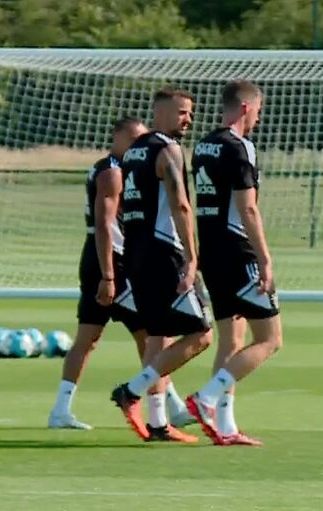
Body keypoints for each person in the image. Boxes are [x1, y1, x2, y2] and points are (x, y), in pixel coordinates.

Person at [48, 117, 192, 431]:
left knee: (89, 337)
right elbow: (105, 224)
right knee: (152, 334)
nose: (140, 144)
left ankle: (61, 408)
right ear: (119, 137)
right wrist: (109, 274)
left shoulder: (113, 167)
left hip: (102, 260)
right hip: (112, 261)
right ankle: (170, 406)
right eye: (135, 137)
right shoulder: (113, 170)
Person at [110, 87, 213, 442]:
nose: (189, 119)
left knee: (157, 335)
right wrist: (192, 256)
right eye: (182, 112)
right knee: (202, 334)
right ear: (161, 113)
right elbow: (180, 204)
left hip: (136, 253)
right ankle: (132, 390)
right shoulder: (168, 149)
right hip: (164, 252)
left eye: (190, 112)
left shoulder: (133, 151)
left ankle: (157, 424)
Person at [186, 80, 282, 446]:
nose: (258, 117)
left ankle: (224, 427)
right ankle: (206, 399)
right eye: (258, 110)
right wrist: (265, 259)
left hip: (211, 252)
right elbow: (247, 208)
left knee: (232, 339)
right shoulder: (240, 147)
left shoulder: (204, 145)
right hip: (238, 253)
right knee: (271, 339)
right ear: (246, 108)